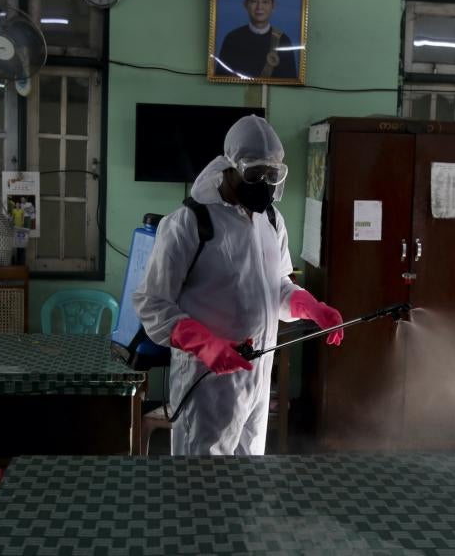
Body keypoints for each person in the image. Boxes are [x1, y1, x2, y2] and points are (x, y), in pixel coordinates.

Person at [132, 115, 344, 455]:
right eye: (254, 174)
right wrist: (205, 343)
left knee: (247, 483)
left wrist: (310, 306)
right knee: (200, 486)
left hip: (258, 380)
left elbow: (277, 286)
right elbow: (152, 303)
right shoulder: (189, 223)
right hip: (206, 383)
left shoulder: (272, 221)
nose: (263, 184)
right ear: (229, 168)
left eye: (272, 175)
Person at [215, 0, 298, 79]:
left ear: (273, 5)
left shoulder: (283, 41)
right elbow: (221, 80)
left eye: (265, 1)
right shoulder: (232, 39)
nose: (259, 7)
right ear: (245, 4)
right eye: (254, 1)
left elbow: (290, 85)